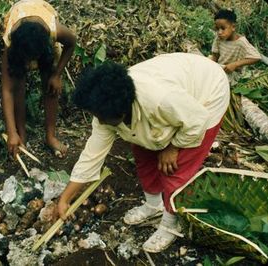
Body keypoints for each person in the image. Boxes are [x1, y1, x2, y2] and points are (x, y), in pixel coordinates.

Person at [57, 53, 230, 253]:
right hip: (178, 96)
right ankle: (153, 205)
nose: (100, 122)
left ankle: (170, 223)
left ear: (121, 113)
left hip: (206, 96)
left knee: (174, 169)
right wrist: (65, 198)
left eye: (103, 118)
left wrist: (173, 147)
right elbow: (92, 155)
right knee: (143, 152)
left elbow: (196, 121)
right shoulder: (106, 108)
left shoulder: (159, 99)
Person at [1, 0, 76, 158]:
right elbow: (7, 90)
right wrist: (11, 132)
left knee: (51, 84)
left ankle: (50, 137)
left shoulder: (55, 31)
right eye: (28, 60)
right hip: (19, 21)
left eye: (32, 60)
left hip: (42, 21)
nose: (30, 65)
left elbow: (71, 43)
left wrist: (57, 75)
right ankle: (21, 135)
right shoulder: (12, 42)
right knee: (18, 83)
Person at [209, 9, 261, 83]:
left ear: (233, 27)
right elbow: (215, 56)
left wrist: (235, 64)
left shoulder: (241, 42)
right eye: (217, 29)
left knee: (216, 81)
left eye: (223, 28)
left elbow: (256, 57)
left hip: (233, 74)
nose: (219, 32)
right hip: (220, 69)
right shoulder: (218, 38)